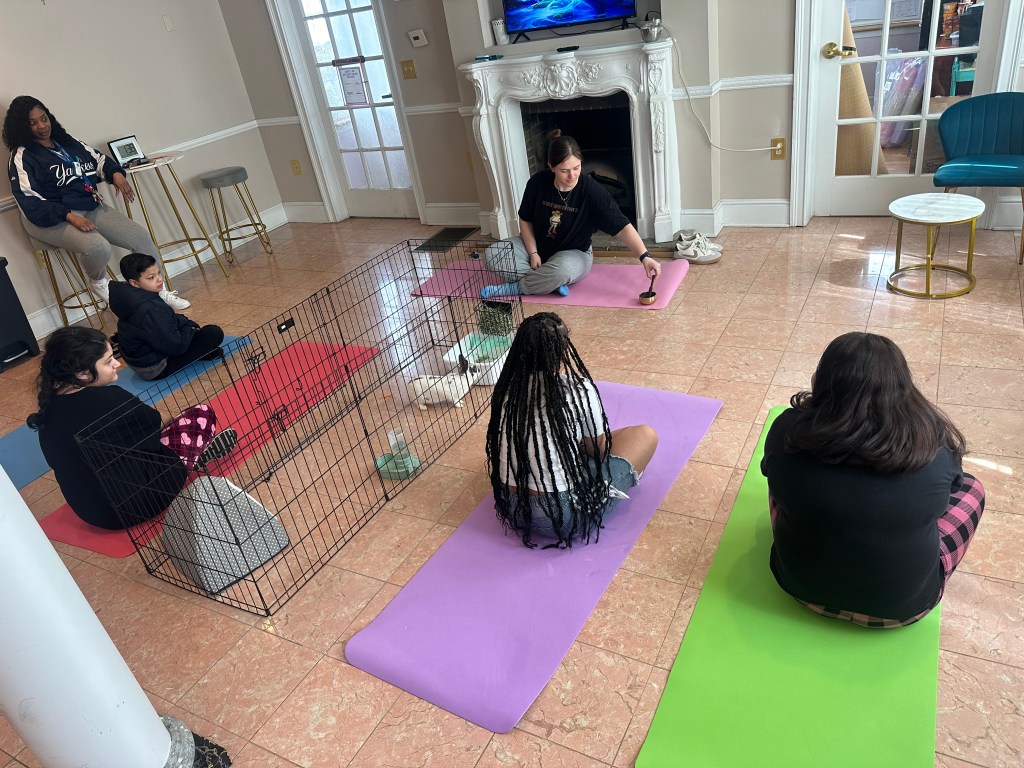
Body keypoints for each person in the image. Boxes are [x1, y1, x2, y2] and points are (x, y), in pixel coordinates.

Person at [760, 332, 985, 628]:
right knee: (972, 489)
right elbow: (949, 496)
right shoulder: (936, 445)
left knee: (777, 482)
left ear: (821, 380)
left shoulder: (786, 428)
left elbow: (770, 472)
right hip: (904, 609)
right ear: (903, 388)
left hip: (799, 589)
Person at [27, 327, 237, 530]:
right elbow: (161, 420)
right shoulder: (112, 399)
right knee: (201, 413)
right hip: (142, 505)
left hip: (93, 513)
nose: (117, 364)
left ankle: (189, 453)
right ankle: (194, 453)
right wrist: (177, 424)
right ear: (82, 373)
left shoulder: (46, 411)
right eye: (108, 361)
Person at [486, 312, 658, 548]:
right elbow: (599, 450)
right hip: (563, 517)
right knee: (645, 434)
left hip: (512, 507)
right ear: (564, 349)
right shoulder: (578, 389)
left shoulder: (506, 390)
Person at [3, 95, 190, 310]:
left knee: (140, 237)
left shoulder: (68, 143)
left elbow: (100, 161)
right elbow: (30, 201)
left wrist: (116, 174)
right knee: (98, 247)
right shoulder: (22, 156)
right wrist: (70, 217)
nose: (41, 126)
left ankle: (159, 292)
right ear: (22, 127)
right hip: (49, 218)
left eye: (44, 118)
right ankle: (99, 283)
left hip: (88, 205)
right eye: (32, 123)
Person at [481, 132, 661, 297]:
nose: (572, 175)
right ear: (551, 166)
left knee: (562, 271)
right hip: (537, 246)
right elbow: (525, 219)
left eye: (576, 167)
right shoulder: (537, 183)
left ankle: (517, 288)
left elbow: (622, 227)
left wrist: (645, 256)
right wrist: (533, 253)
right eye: (564, 170)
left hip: (575, 254)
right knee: (492, 255)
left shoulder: (592, 192)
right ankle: (548, 283)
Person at [108, 253, 224, 381]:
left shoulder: (130, 298)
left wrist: (184, 324)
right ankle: (201, 352)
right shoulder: (151, 308)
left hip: (139, 361)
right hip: (155, 368)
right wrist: (190, 328)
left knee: (186, 327)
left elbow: (166, 322)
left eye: (158, 273)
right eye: (151, 277)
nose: (159, 279)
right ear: (134, 283)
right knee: (213, 333)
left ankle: (200, 349)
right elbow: (175, 346)